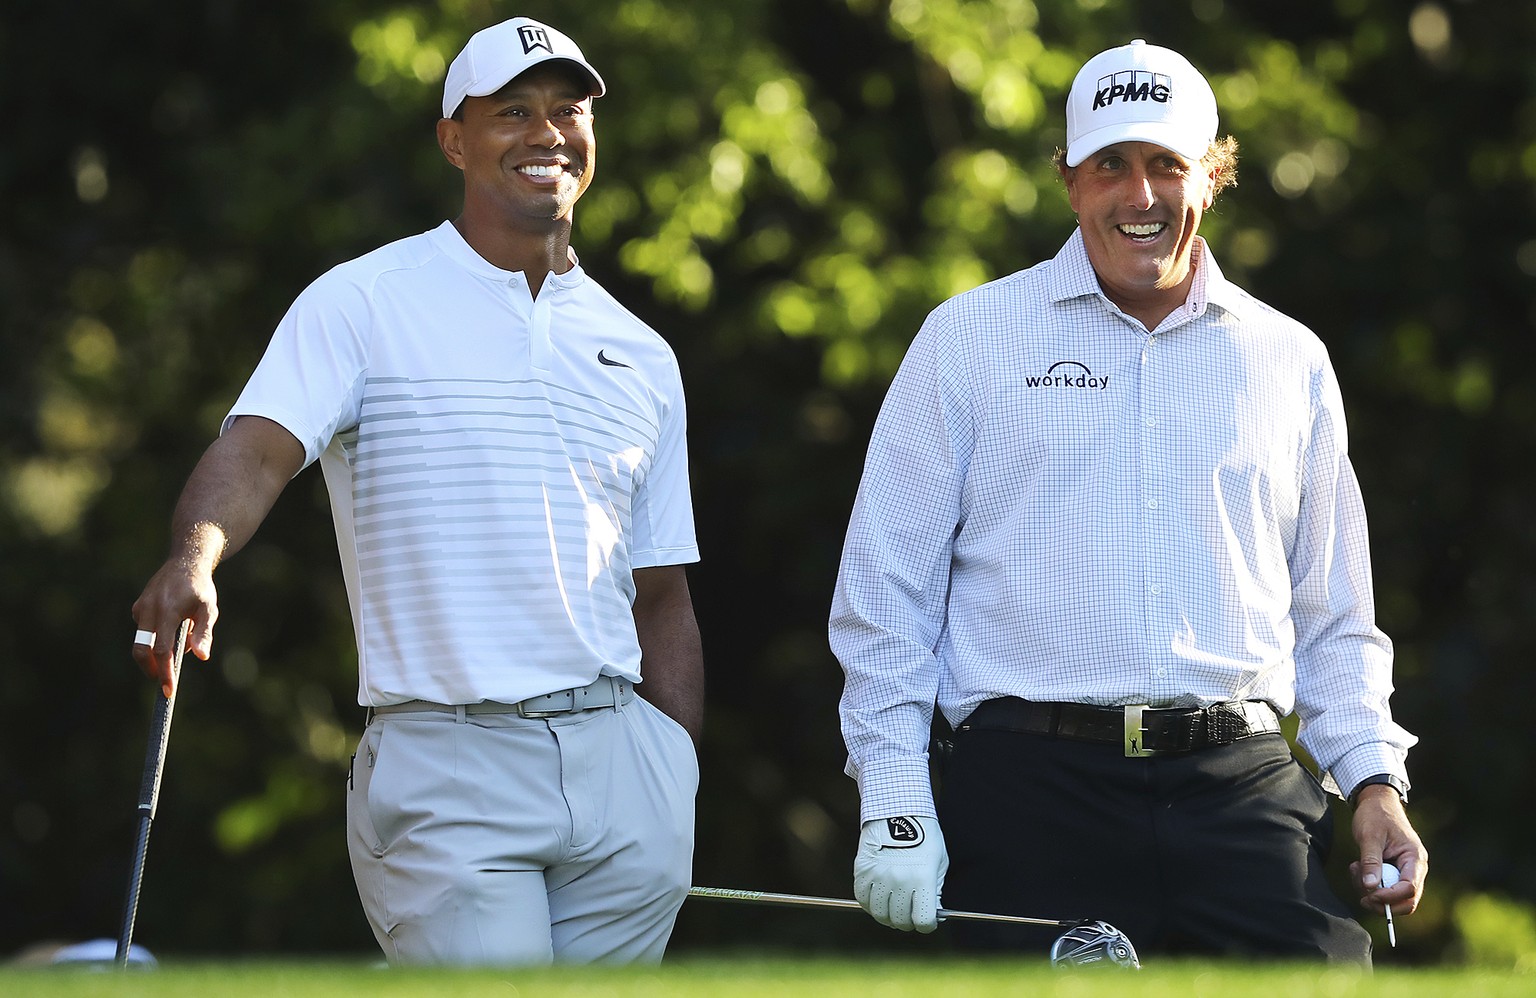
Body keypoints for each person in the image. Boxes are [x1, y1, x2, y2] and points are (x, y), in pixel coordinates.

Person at [829, 38, 1427, 964]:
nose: (1140, 197)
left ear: (1213, 176)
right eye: (1111, 166)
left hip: (1242, 785)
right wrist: (897, 802)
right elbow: (884, 600)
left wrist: (1376, 784)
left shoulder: (1288, 359)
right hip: (1028, 786)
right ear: (1069, 180)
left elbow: (1335, 617)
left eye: (1165, 165)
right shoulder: (966, 339)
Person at [129, 16, 704, 966]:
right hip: (449, 762)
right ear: (453, 138)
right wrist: (195, 556)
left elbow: (664, 593)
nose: (546, 133)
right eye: (512, 111)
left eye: (568, 110)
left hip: (622, 770)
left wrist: (672, 771)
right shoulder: (364, 301)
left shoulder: (641, 353)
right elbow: (259, 451)